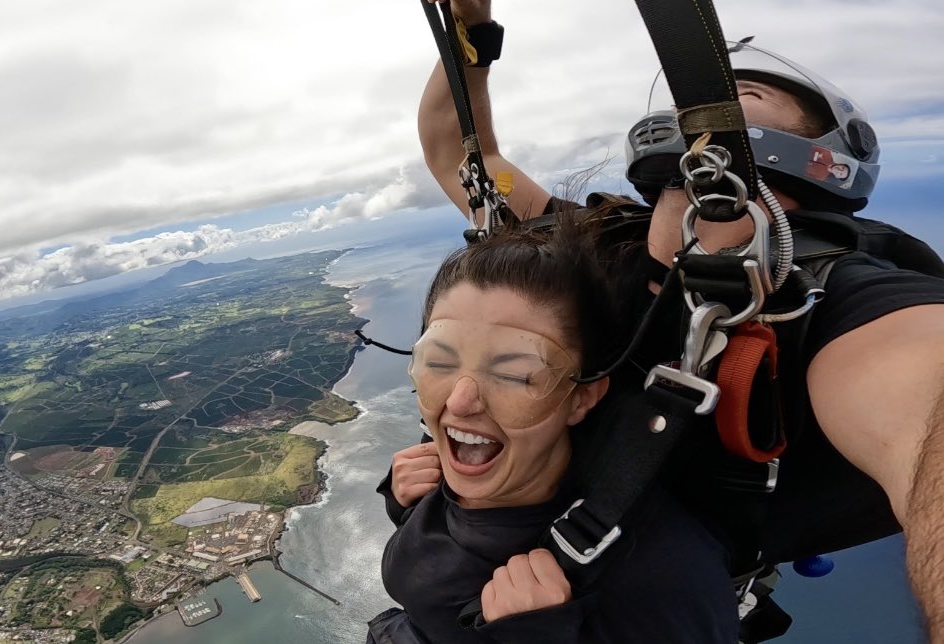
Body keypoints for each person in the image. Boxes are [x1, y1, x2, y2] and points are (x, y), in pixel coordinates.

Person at [412, 1, 944, 640]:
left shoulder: (833, 301)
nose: (705, 96)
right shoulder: (603, 244)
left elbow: (923, 394)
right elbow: (463, 157)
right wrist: (472, 33)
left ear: (823, 155)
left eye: (742, 91)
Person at [368, 220, 740, 644]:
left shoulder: (663, 575)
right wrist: (406, 507)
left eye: (514, 374)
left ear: (582, 398)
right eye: (439, 363)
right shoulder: (445, 474)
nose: (458, 402)